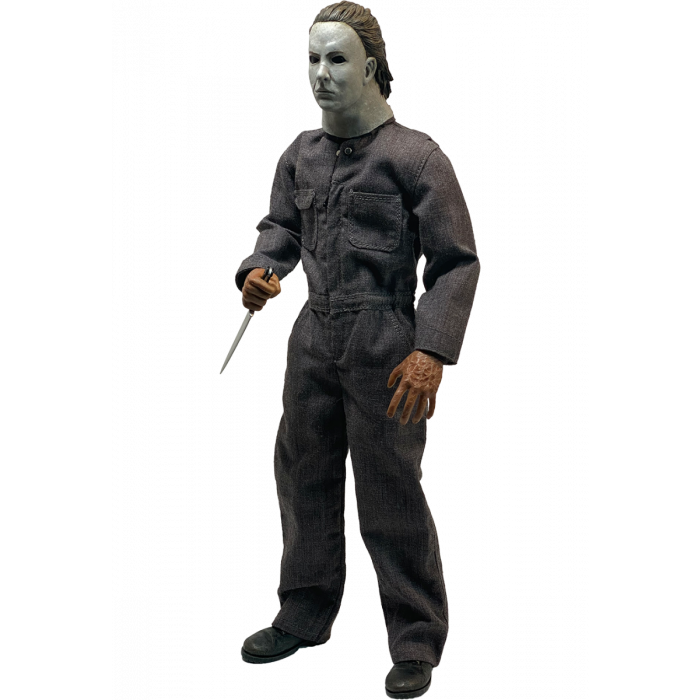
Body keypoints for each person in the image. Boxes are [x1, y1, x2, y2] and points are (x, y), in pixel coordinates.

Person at [237, 3, 480, 696]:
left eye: (337, 59)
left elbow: (457, 263)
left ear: (371, 66)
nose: (320, 74)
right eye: (312, 59)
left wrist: (432, 352)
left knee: (391, 487)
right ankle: (303, 613)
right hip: (312, 336)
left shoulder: (416, 157)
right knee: (301, 475)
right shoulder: (300, 153)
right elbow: (279, 228)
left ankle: (416, 638)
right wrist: (260, 270)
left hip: (386, 342)